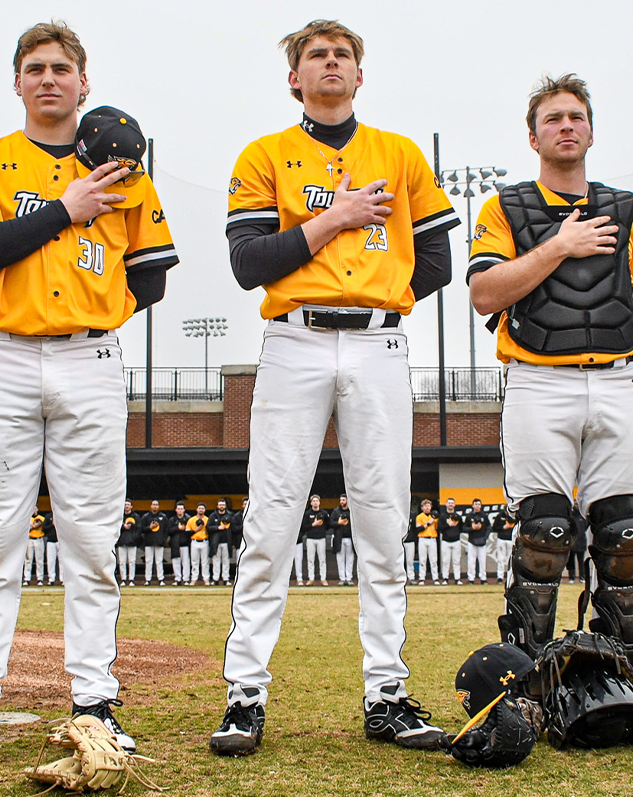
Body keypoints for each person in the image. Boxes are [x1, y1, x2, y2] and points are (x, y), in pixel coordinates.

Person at [0, 20, 177, 767]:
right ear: (16, 82)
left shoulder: (123, 169)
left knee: (91, 542)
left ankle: (95, 701)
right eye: (34, 67)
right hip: (3, 357)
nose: (48, 78)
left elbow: (153, 275)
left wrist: (90, 315)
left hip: (89, 360)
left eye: (61, 67)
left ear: (83, 81)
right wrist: (63, 210)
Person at [212, 20, 457, 757]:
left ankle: (386, 693)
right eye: (314, 55)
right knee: (272, 514)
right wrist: (336, 220)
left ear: (358, 74)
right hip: (295, 339)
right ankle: (244, 695)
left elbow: (437, 258)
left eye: (341, 55)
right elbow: (249, 262)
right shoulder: (264, 156)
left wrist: (382, 295)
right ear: (295, 78)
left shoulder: (399, 154)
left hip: (379, 340)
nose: (329, 63)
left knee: (383, 518)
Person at [466, 73, 633, 736]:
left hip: (616, 382)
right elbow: (485, 293)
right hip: (536, 381)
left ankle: (622, 690)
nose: (565, 126)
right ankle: (524, 697)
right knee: (544, 534)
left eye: (575, 116)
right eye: (552, 118)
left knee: (624, 537)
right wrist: (559, 245)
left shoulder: (626, 208)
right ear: (532, 136)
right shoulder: (504, 208)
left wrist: (595, 338)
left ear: (590, 129)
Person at [302, 495, 330, 586]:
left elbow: (328, 525)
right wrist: (313, 525)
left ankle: (323, 578)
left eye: (316, 501)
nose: (315, 502)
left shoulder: (324, 513)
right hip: (310, 538)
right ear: (311, 503)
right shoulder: (307, 513)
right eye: (313, 501)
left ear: (319, 502)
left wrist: (322, 530)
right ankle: (311, 578)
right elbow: (304, 526)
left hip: (321, 538)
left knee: (322, 559)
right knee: (310, 559)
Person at [463, 499, 491, 585]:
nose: (477, 506)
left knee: (482, 561)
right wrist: (472, 528)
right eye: (476, 504)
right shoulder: (469, 516)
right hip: (472, 541)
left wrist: (485, 538)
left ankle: (483, 578)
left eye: (479, 504)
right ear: (473, 505)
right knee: (471, 561)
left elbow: (489, 527)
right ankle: (471, 578)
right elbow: (464, 528)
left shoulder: (484, 516)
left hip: (482, 542)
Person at [209, 498, 234, 586]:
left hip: (227, 542)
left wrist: (233, 542)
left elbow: (233, 529)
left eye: (223, 505)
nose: (221, 506)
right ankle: (215, 579)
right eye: (220, 505)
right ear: (217, 506)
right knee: (216, 561)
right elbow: (208, 527)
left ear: (225, 506)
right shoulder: (213, 516)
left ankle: (226, 579)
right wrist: (217, 528)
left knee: (226, 561)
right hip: (216, 542)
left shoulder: (230, 515)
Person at [414, 499, 440, 586]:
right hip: (423, 538)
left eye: (428, 506)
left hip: (432, 539)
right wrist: (428, 523)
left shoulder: (434, 517)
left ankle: (435, 578)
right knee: (422, 559)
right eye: (425, 506)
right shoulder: (419, 517)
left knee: (433, 560)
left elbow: (437, 528)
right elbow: (418, 529)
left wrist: (434, 520)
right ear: (422, 508)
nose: (427, 508)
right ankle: (422, 578)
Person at [141, 500, 167, 586]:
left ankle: (161, 579)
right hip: (149, 542)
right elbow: (142, 529)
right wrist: (150, 527)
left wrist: (163, 540)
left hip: (159, 542)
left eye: (156, 505)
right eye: (153, 505)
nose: (155, 506)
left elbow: (166, 530)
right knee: (148, 561)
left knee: (159, 561)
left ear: (158, 506)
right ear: (151, 506)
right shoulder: (146, 517)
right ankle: (148, 579)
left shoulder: (163, 517)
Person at [438, 497, 463, 585]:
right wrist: (448, 525)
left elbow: (461, 528)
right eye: (449, 503)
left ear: (455, 504)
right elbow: (439, 528)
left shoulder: (458, 516)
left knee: (456, 561)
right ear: (446, 504)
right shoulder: (443, 516)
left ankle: (457, 578)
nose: (451, 504)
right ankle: (445, 578)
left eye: (452, 503)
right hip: (445, 541)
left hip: (456, 541)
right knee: (445, 561)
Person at [330, 494, 354, 585]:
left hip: (350, 538)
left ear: (347, 500)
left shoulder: (351, 511)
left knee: (350, 559)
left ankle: (349, 578)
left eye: (343, 500)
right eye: (341, 500)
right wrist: (338, 523)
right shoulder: (336, 511)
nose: (341, 502)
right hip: (339, 538)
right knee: (340, 559)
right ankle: (342, 578)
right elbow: (330, 523)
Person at [118, 501, 141, 586]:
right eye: (125, 505)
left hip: (132, 543)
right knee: (122, 562)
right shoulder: (120, 517)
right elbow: (116, 527)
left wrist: (134, 538)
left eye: (128, 505)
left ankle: (131, 579)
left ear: (131, 506)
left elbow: (139, 530)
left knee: (132, 561)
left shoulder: (136, 517)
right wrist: (123, 527)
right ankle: (123, 579)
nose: (126, 506)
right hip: (122, 542)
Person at [491, 509, 516, 585]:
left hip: (511, 539)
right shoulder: (500, 516)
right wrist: (503, 527)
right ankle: (500, 577)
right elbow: (494, 528)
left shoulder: (515, 516)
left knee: (511, 559)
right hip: (501, 539)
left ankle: (510, 577)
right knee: (500, 559)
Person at [170, 501, 192, 586]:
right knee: (176, 562)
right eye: (178, 509)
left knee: (186, 562)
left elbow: (191, 531)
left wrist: (185, 529)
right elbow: (169, 531)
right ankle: (177, 579)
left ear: (184, 510)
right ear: (176, 510)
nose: (180, 510)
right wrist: (178, 528)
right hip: (175, 544)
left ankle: (186, 579)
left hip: (185, 543)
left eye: (181, 509)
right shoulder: (172, 520)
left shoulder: (188, 519)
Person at [189, 502, 211, 586]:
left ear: (205, 510)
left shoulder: (207, 519)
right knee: (194, 561)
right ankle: (194, 579)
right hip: (194, 541)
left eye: (202, 508)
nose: (201, 510)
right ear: (196, 509)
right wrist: (196, 529)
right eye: (199, 508)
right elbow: (187, 531)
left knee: (205, 562)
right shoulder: (191, 520)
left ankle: (206, 579)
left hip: (204, 541)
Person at [26, 509, 47, 586]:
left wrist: (32, 527)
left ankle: (40, 579)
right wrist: (32, 526)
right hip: (30, 539)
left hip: (38, 539)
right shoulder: (28, 518)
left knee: (39, 560)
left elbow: (37, 524)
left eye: (35, 508)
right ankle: (27, 578)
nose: (34, 510)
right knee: (28, 559)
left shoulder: (41, 518)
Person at [44, 515, 60, 586]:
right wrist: (52, 524)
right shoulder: (48, 516)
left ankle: (62, 579)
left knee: (62, 561)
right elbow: (44, 528)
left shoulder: (61, 515)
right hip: (50, 541)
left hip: (60, 541)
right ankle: (51, 579)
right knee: (51, 561)